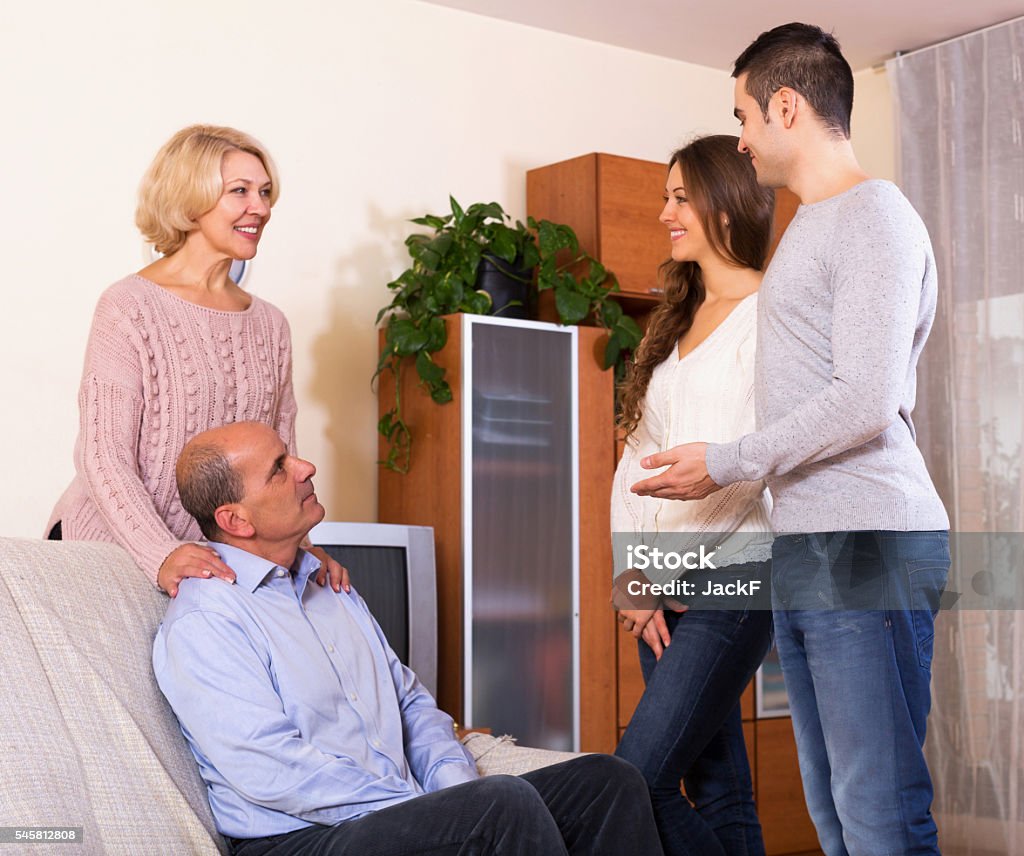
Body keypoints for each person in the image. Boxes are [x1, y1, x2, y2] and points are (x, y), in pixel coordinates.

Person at [631, 24, 950, 855]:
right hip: (811, 544)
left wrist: (725, 465)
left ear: (785, 105)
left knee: (879, 810)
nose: (739, 139)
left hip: (867, 536)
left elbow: (867, 400)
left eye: (742, 115)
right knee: (835, 810)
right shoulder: (810, 228)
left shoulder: (873, 215)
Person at [154, 421, 666, 856]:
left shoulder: (329, 586)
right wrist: (419, 804)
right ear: (234, 520)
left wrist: (453, 787)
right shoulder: (207, 620)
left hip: (393, 809)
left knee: (607, 782)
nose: (305, 468)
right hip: (300, 838)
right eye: (280, 468)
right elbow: (273, 772)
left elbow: (409, 701)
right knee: (502, 806)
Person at [46, 125, 344, 597]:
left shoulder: (270, 324)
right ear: (190, 200)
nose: (261, 208)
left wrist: (301, 550)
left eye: (265, 192)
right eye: (240, 191)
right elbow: (103, 455)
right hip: (111, 552)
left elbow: (280, 461)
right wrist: (160, 552)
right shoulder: (128, 306)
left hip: (210, 565)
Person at [610, 135, 774, 856]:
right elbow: (632, 461)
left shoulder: (774, 316)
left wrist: (660, 575)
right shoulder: (675, 320)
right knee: (719, 787)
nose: (665, 214)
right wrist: (634, 574)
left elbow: (750, 465)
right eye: (665, 197)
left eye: (680, 197)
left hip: (736, 578)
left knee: (634, 780)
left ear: (724, 202)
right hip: (657, 579)